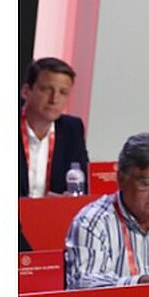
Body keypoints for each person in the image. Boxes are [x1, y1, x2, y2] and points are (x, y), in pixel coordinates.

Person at [65, 133, 149, 289]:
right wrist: (141, 283)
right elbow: (83, 285)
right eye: (146, 182)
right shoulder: (91, 222)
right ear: (121, 179)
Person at [18, 57, 90, 197]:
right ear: (26, 92)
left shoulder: (72, 129)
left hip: (54, 216)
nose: (54, 99)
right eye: (46, 90)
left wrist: (72, 197)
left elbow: (84, 183)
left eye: (63, 92)